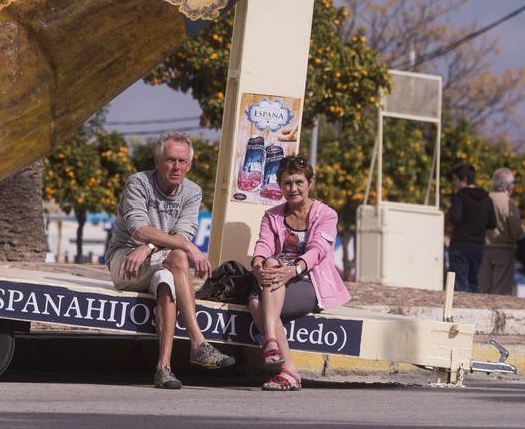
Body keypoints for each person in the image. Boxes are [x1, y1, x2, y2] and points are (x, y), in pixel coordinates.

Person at [104, 132, 236, 390]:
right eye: (171, 160)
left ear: (190, 165)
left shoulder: (192, 192)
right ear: (157, 160)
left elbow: (182, 233)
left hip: (159, 260)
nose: (177, 167)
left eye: (182, 162)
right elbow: (138, 228)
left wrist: (151, 246)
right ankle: (198, 343)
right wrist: (186, 247)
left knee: (167, 280)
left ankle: (163, 368)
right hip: (126, 260)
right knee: (178, 256)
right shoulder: (138, 183)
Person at [247, 156, 350, 391]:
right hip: (275, 278)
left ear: (310, 182)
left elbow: (318, 250)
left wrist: (293, 270)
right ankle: (288, 369)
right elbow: (263, 244)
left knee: (257, 305)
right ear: (280, 185)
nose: (293, 188)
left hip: (310, 280)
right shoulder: (272, 215)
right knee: (268, 270)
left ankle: (273, 345)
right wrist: (258, 265)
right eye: (287, 183)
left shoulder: (326, 214)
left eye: (298, 182)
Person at [445, 163, 495, 294]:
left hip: (460, 244)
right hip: (478, 246)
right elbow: (492, 223)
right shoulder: (486, 198)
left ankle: (457, 311)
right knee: (473, 283)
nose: (453, 183)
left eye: (455, 179)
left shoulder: (460, 196)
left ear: (464, 180)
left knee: (459, 283)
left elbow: (455, 218)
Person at [480, 167, 525, 296]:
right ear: (508, 185)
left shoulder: (484, 199)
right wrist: (523, 232)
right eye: (513, 183)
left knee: (483, 290)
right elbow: (516, 231)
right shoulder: (509, 203)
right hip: (504, 250)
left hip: (484, 249)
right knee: (500, 293)